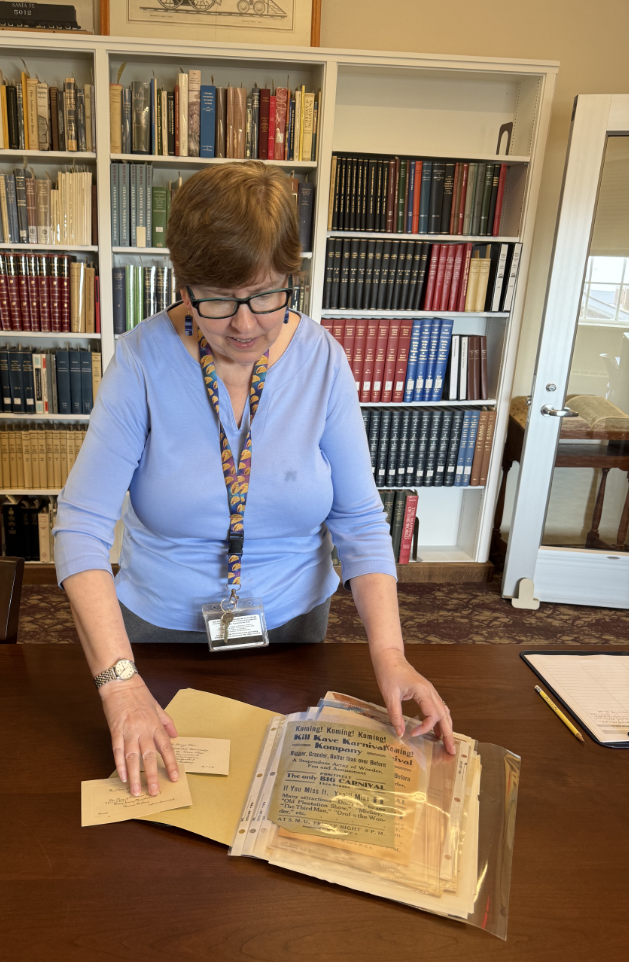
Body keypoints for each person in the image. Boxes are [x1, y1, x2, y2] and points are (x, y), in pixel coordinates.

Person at [54, 161, 454, 797]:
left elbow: (358, 520)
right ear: (182, 284)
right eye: (216, 299)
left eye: (266, 295)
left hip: (295, 630)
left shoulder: (323, 360)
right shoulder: (140, 361)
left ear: (290, 277)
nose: (244, 325)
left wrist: (391, 656)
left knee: (281, 808)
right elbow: (80, 527)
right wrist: (120, 682)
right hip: (157, 636)